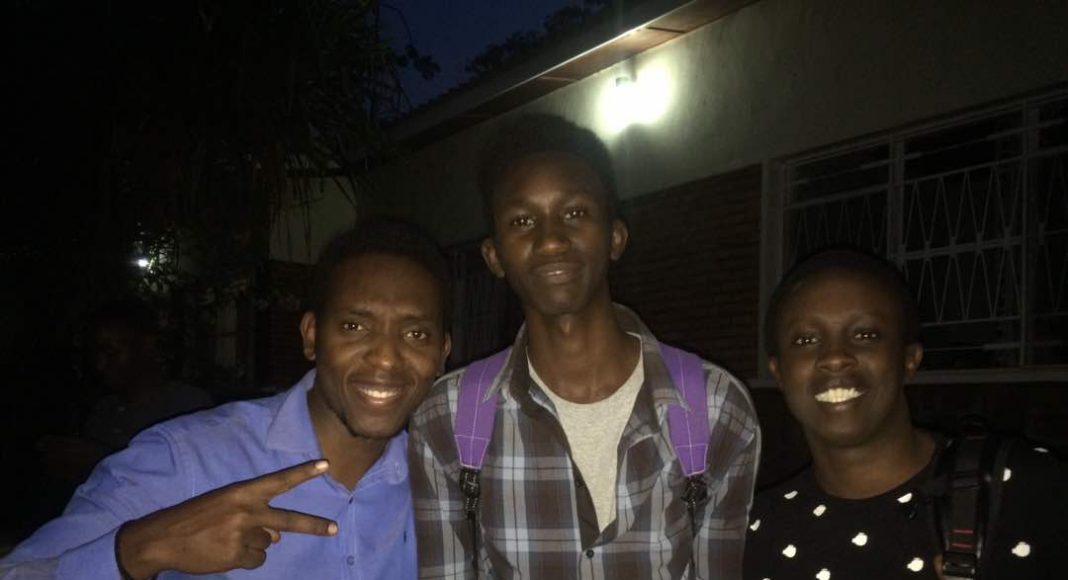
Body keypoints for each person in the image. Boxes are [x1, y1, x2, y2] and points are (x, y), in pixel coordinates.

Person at [409, 114, 760, 579]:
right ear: (494, 257)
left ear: (615, 237)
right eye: (522, 221)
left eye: (574, 213)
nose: (551, 240)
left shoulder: (715, 408)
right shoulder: (449, 419)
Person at [2, 220, 452, 579]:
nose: (386, 358)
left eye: (416, 334)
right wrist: (142, 547)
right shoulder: (188, 459)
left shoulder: (442, 483)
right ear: (312, 336)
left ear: (442, 354)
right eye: (355, 327)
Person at [743, 249, 1068, 580]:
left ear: (909, 359)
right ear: (779, 372)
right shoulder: (753, 533)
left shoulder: (1025, 488)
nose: (835, 357)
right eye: (806, 339)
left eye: (865, 335)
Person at [38, 299, 214, 485]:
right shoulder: (103, 410)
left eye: (111, 353)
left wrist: (105, 459)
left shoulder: (187, 404)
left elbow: (195, 478)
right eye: (94, 354)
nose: (100, 365)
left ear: (148, 346)